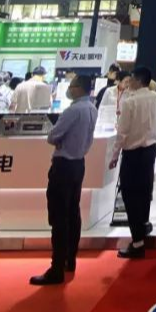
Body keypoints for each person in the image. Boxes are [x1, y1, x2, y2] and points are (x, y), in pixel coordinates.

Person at [30, 75, 99, 286]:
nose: (69, 89)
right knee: (72, 213)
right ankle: (70, 259)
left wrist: (58, 140)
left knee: (59, 216)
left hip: (63, 166)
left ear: (79, 88)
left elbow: (52, 136)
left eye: (71, 85)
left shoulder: (73, 110)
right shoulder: (91, 108)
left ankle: (57, 268)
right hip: (78, 164)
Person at [110, 67, 156, 259]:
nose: (129, 81)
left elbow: (122, 132)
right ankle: (143, 226)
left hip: (133, 153)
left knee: (130, 195)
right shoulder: (155, 98)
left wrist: (114, 155)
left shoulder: (130, 102)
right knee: (145, 191)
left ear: (138, 81)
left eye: (131, 78)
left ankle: (137, 242)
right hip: (150, 150)